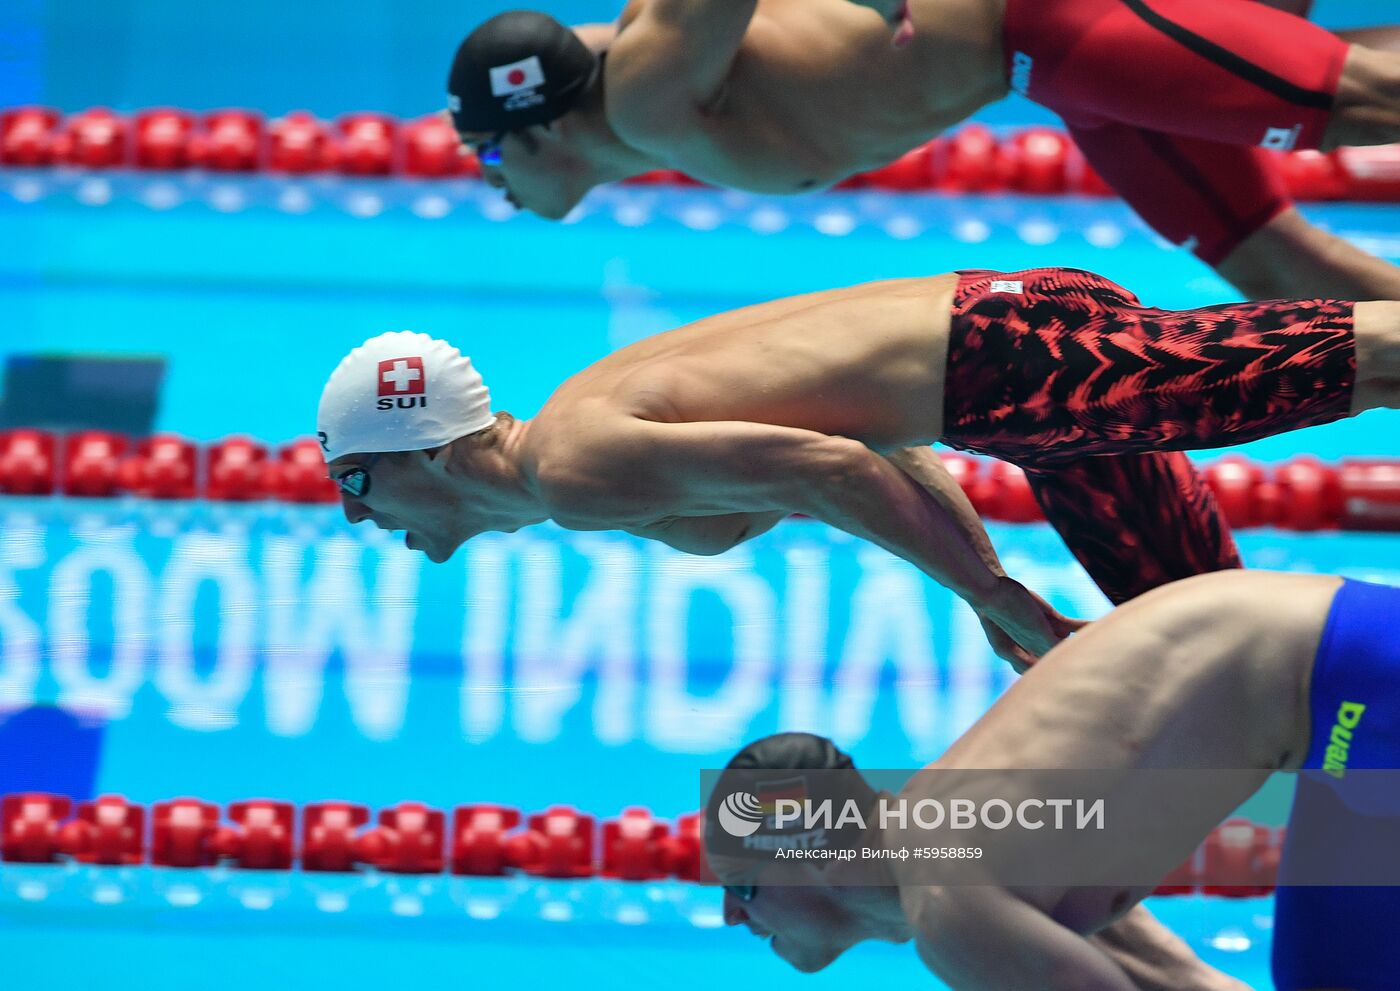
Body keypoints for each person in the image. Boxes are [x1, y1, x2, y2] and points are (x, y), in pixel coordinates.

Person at [316, 266, 1400, 665]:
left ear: (426, 450)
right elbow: (868, 442)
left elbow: (824, 474)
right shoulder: (577, 434)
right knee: (1215, 637)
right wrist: (986, 593)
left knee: (1335, 362)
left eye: (354, 486)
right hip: (1010, 380)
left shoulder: (571, 468)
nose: (360, 522)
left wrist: (998, 595)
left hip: (1019, 366)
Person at [703, 569, 1400, 990]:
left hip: (1356, 686)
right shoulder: (976, 853)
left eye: (741, 884)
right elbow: (1182, 981)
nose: (731, 914)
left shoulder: (951, 902)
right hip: (1345, 708)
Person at [445, 2, 1400, 301]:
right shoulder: (653, 101)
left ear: (541, 129)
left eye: (488, 158)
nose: (492, 185)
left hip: (1050, 24)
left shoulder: (650, 91)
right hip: (1060, 75)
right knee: (1279, 271)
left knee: (1359, 105)